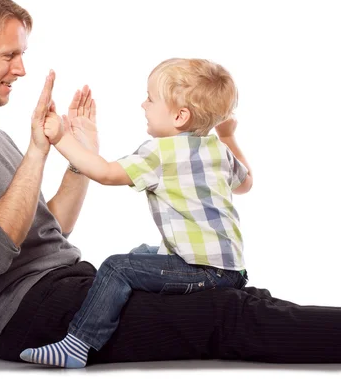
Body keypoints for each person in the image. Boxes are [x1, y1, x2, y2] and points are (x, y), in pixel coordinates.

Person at [0, 0, 341, 366]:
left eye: (22, 55)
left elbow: (50, 228)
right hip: (25, 315)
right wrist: (38, 151)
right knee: (226, 315)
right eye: (9, 55)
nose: (21, 69)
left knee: (235, 302)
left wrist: (78, 159)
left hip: (68, 287)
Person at [20, 58, 252, 368]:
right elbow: (246, 183)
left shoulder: (160, 152)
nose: (144, 105)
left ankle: (77, 344)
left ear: (180, 116)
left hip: (203, 271)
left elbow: (104, 173)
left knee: (117, 267)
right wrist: (227, 135)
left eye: (151, 98)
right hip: (232, 270)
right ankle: (128, 313)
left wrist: (62, 138)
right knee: (142, 254)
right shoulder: (217, 150)